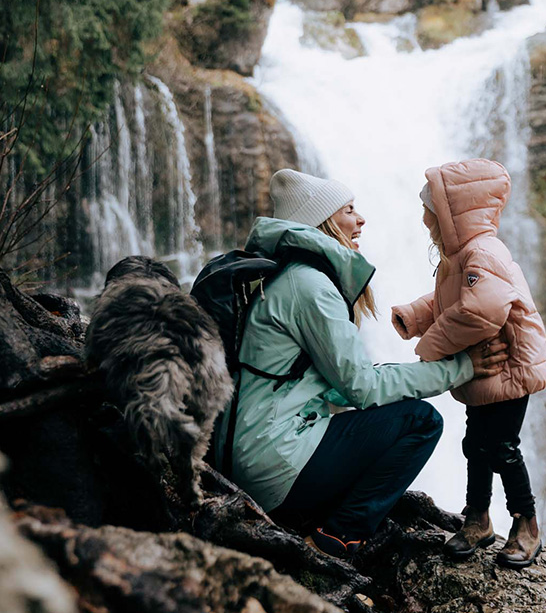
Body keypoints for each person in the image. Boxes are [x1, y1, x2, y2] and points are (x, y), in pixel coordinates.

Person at [214, 168, 509, 559]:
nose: (361, 219)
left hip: (254, 458)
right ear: (322, 222)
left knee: (388, 414)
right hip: (274, 465)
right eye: (348, 210)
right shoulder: (310, 286)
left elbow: (343, 384)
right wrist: (461, 368)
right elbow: (362, 388)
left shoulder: (288, 277)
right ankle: (338, 537)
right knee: (420, 421)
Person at [391, 158, 546, 569]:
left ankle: (527, 524)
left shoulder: (484, 251)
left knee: (501, 447)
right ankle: (477, 519)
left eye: (430, 209)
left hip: (510, 367)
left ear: (452, 212)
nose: (425, 217)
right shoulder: (460, 254)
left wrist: (431, 345)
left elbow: (483, 310)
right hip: (488, 374)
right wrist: (415, 315)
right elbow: (453, 301)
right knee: (475, 447)